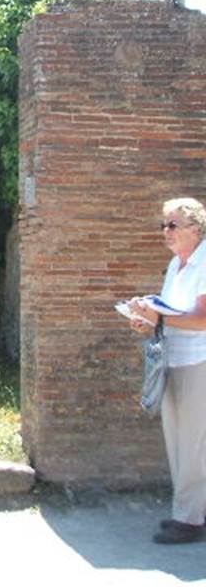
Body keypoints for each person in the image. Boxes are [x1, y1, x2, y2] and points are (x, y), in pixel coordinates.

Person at [128, 197, 206, 544]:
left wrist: (160, 317)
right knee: (179, 438)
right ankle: (195, 511)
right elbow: (169, 314)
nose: (166, 232)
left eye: (172, 225)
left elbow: (203, 319)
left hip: (198, 360)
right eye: (163, 226)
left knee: (191, 443)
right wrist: (146, 319)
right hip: (175, 359)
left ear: (195, 228)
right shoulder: (177, 265)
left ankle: (188, 520)